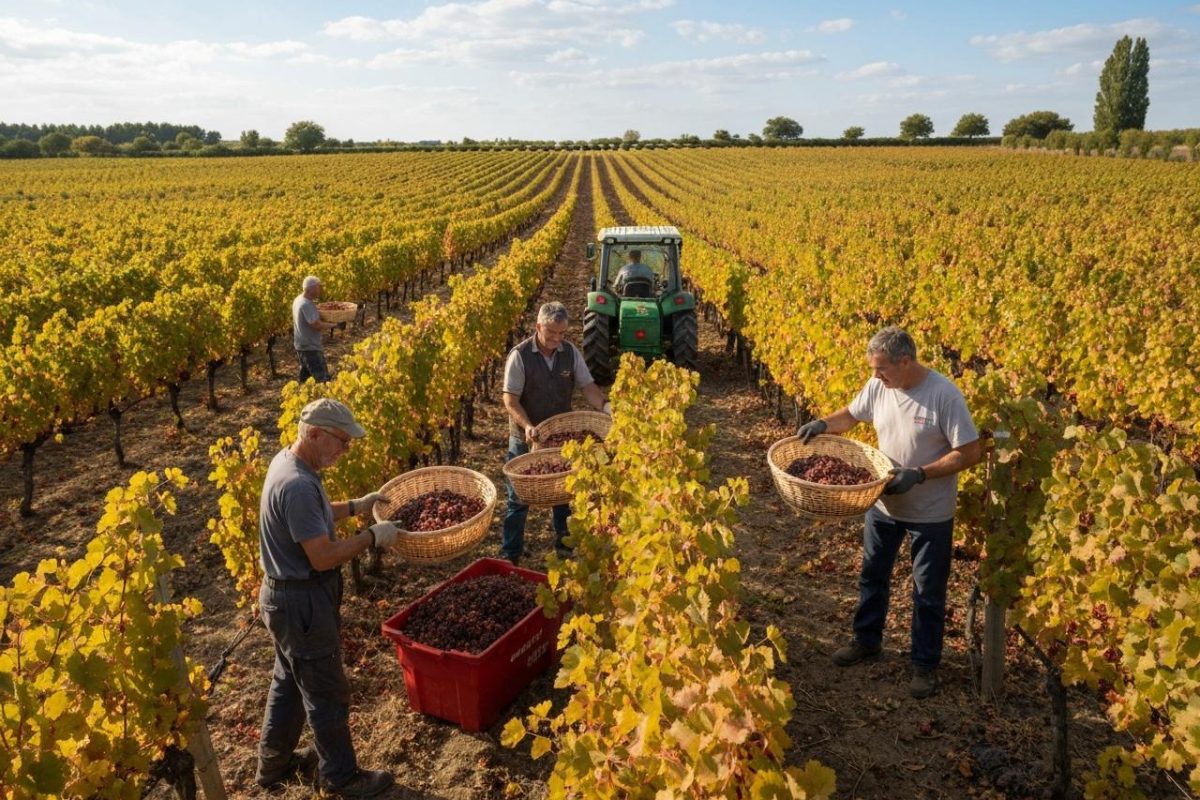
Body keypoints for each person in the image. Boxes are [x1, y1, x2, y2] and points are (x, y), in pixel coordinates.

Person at [796, 326, 981, 699]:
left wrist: (920, 474)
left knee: (927, 591)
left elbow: (971, 451)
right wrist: (822, 423)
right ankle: (867, 641)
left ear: (906, 361)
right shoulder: (880, 386)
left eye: (881, 369)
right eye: (873, 369)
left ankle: (925, 665)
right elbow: (850, 415)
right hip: (882, 503)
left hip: (930, 512)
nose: (875, 376)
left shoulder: (943, 395)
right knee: (872, 577)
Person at [254, 397, 399, 796]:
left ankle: (274, 766)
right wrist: (372, 536)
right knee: (325, 692)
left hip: (284, 599)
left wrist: (356, 506)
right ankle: (341, 777)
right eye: (341, 441)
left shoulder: (289, 462)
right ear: (314, 434)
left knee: (288, 681)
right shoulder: (299, 484)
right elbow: (322, 557)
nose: (345, 450)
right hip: (302, 604)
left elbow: (311, 517)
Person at [501, 301, 610, 564]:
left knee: (564, 492)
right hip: (526, 436)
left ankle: (563, 545)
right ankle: (510, 553)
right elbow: (510, 400)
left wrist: (606, 406)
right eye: (551, 333)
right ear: (538, 326)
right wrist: (527, 426)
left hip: (560, 436)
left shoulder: (569, 353)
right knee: (518, 498)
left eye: (561, 333)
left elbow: (587, 387)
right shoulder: (520, 356)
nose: (556, 339)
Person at [293, 275, 339, 383]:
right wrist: (335, 325)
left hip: (301, 346)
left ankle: (304, 398)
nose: (320, 290)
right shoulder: (306, 304)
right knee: (323, 380)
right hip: (310, 348)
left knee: (306, 381)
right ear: (311, 289)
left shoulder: (298, 300)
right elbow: (316, 325)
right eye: (318, 288)